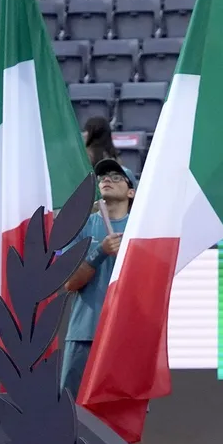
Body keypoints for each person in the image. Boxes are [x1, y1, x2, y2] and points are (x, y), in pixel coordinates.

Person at [62, 159, 137, 399]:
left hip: (127, 335)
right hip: (84, 333)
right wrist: (100, 252)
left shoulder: (142, 229)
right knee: (73, 411)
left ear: (131, 192)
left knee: (122, 413)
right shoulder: (80, 226)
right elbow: (70, 283)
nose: (107, 180)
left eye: (116, 177)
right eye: (103, 177)